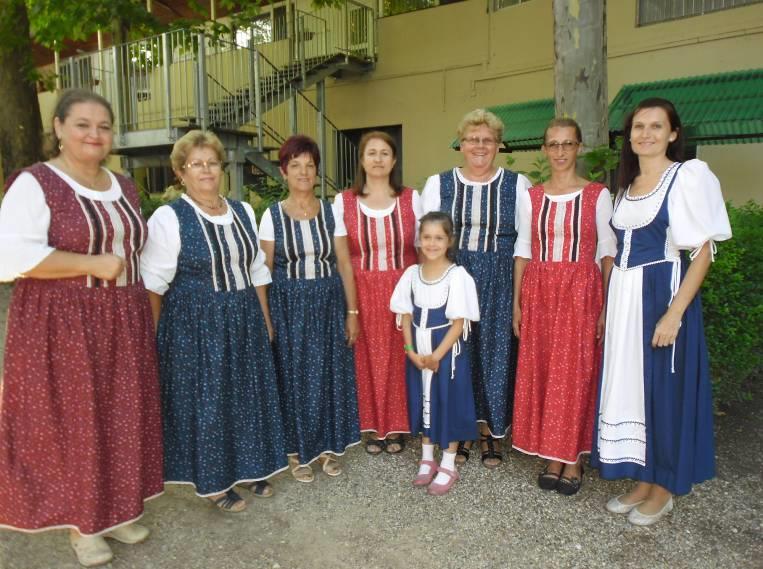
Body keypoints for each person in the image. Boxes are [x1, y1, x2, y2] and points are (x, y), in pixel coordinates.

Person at [0, 89, 163, 567]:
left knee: (121, 413)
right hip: (63, 320)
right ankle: (83, 524)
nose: (95, 135)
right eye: (83, 125)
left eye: (104, 126)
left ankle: (116, 510)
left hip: (123, 316)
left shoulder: (124, 185)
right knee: (77, 419)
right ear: (58, 128)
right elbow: (10, 257)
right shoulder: (36, 183)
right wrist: (91, 262)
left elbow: (139, 251)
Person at [590, 98, 731, 525]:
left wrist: (674, 314)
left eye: (656, 126)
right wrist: (608, 306)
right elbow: (612, 253)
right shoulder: (624, 188)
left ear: (673, 134)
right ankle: (645, 479)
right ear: (628, 136)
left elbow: (703, 251)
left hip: (661, 295)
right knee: (635, 390)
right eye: (638, 127)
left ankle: (665, 487)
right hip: (625, 299)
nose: (645, 134)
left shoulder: (685, 177)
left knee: (664, 393)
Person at [140, 130, 287, 513]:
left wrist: (265, 320)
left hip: (243, 318)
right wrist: (154, 338)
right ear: (180, 172)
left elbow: (256, 271)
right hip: (195, 325)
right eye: (196, 164)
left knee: (245, 395)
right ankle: (212, 482)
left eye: (212, 162)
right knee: (209, 402)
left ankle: (251, 465)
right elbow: (154, 283)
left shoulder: (241, 211)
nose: (206, 170)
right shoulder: (169, 218)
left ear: (222, 168)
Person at [511, 118, 616, 495]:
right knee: (544, 372)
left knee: (574, 374)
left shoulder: (597, 195)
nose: (559, 152)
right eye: (553, 144)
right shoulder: (533, 196)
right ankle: (550, 453)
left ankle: (571, 457)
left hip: (580, 293)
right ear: (544, 149)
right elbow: (523, 249)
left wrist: (606, 307)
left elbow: (607, 253)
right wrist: (516, 304)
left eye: (567, 144)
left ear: (578, 147)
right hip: (539, 293)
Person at [421, 109, 531, 468]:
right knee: (458, 354)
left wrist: (517, 299)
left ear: (498, 145)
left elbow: (524, 246)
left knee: (496, 356)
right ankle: (461, 429)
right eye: (472, 139)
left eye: (487, 139)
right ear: (461, 144)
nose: (479, 146)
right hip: (455, 278)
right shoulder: (440, 184)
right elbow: (425, 241)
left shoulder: (519, 186)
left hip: (499, 279)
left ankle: (491, 432)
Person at [259, 135, 361, 482]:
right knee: (295, 378)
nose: (303, 172)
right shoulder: (271, 216)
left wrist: (352, 313)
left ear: (317, 171)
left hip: (328, 304)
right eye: (295, 165)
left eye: (310, 165)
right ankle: (298, 451)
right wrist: (267, 319)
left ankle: (328, 448)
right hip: (289, 307)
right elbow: (264, 272)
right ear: (284, 171)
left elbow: (345, 264)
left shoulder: (332, 212)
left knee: (329, 375)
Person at [333, 131, 419, 455]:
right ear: (362, 160)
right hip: (363, 290)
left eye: (385, 153)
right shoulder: (344, 201)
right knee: (367, 359)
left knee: (400, 357)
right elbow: (343, 259)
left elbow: (424, 249)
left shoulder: (412, 198)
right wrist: (352, 310)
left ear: (394, 160)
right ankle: (374, 426)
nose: (378, 159)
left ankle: (397, 426)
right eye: (372, 153)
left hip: (403, 288)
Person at [390, 212, 479, 495]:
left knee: (447, 402)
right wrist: (411, 352)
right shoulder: (411, 275)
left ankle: (449, 462)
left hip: (445, 352)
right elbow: (405, 316)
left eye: (438, 237)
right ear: (419, 239)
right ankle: (427, 458)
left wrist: (437, 355)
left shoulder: (457, 276)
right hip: (418, 351)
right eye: (426, 237)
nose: (431, 243)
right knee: (423, 400)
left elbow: (458, 323)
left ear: (449, 240)